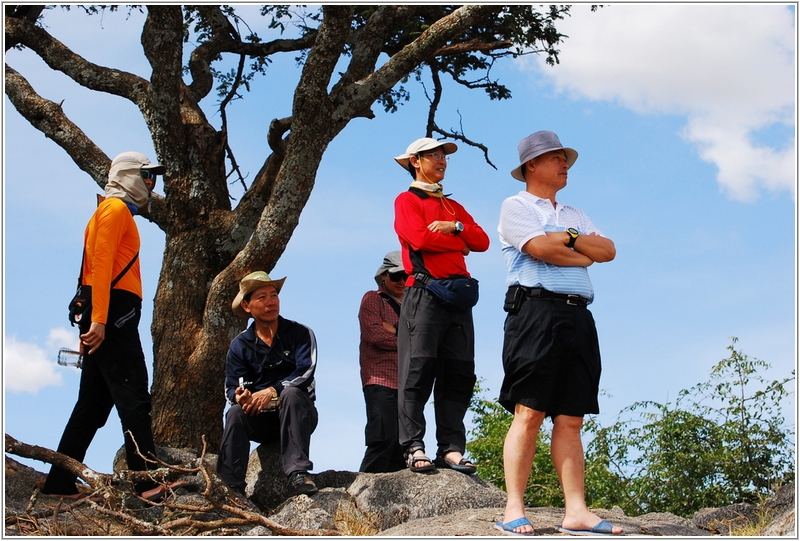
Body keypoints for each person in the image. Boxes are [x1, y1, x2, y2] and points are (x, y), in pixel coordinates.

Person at [494, 131, 622, 536]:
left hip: (578, 316)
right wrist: (578, 249)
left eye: (565, 158)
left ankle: (577, 511)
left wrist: (565, 237)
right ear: (532, 165)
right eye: (556, 158)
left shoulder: (575, 212)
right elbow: (539, 249)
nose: (565, 164)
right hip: (534, 312)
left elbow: (608, 251)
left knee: (571, 418)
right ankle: (514, 507)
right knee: (529, 410)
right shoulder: (514, 206)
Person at [42, 151, 165, 499]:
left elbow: (90, 272)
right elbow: (101, 262)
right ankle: (148, 483)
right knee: (134, 396)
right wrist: (98, 321)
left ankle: (58, 484)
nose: (151, 183)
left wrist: (89, 322)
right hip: (115, 313)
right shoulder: (114, 209)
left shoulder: (105, 210)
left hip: (103, 310)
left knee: (92, 406)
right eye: (146, 175)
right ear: (128, 174)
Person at [393, 137, 490, 474]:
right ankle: (413, 446)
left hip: (458, 297)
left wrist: (457, 228)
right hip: (425, 293)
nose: (441, 160)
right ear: (415, 161)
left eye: (443, 155)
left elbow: (482, 241)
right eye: (433, 155)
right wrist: (458, 244)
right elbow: (419, 239)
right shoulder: (407, 200)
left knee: (459, 372)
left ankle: (450, 448)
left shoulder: (453, 207)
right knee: (417, 370)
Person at [217, 271, 319, 497]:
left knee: (291, 394)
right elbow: (231, 387)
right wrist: (240, 396)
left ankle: (298, 474)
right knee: (234, 413)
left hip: (298, 413)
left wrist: (273, 391)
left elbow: (306, 372)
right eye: (261, 297)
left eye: (274, 295)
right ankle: (230, 488)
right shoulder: (239, 345)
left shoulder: (300, 333)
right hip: (261, 420)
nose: (271, 302)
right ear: (246, 306)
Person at [358, 251, 407, 473]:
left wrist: (395, 330)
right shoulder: (373, 298)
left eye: (407, 276)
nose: (402, 281)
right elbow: (375, 335)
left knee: (402, 445)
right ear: (384, 277)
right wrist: (409, 337)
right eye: (396, 276)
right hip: (379, 379)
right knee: (382, 438)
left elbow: (429, 338)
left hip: (408, 383)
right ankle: (362, 491)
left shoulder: (415, 304)